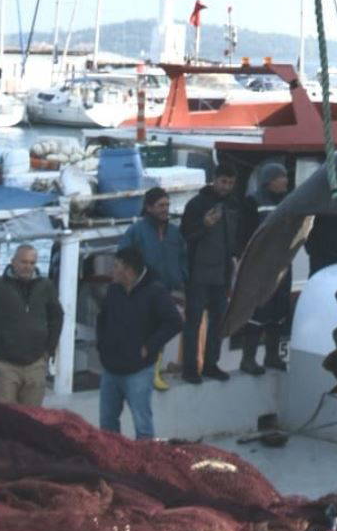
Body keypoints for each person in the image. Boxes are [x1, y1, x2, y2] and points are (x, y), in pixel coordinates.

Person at [95, 245, 182, 439]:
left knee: (142, 426)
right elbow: (102, 318)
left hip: (138, 371)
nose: (112, 270)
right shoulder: (114, 290)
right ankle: (110, 457)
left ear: (128, 270)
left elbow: (175, 322)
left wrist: (149, 347)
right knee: (107, 424)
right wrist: (102, 345)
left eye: (116, 266)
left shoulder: (155, 292)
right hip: (110, 369)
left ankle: (145, 458)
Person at [0, 242, 63, 407]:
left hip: (36, 365)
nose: (28, 267)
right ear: (13, 261)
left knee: (32, 418)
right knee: (6, 418)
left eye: (32, 263)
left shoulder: (45, 286)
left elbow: (57, 316)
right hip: (4, 366)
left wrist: (49, 349)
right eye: (24, 262)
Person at [180, 163, 244, 383]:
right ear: (214, 180)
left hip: (223, 273)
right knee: (194, 321)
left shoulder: (233, 205)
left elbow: (236, 237)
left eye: (230, 183)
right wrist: (204, 225)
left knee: (218, 322)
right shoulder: (196, 204)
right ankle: (189, 368)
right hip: (199, 273)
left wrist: (236, 257)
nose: (226, 187)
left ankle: (210, 364)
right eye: (223, 182)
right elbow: (185, 236)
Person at [119, 188, 187, 389]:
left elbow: (184, 257)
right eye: (160, 205)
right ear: (149, 207)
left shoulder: (174, 232)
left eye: (167, 205)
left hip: (166, 291)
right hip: (143, 291)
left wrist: (182, 277)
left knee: (161, 332)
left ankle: (154, 373)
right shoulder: (136, 231)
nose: (165, 209)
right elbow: (123, 257)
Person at [239, 161, 292, 376]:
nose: (286, 180)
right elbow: (244, 235)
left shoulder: (289, 201)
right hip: (261, 266)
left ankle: (272, 355)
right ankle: (248, 359)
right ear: (269, 181)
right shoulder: (253, 202)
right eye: (281, 177)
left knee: (279, 310)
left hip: (283, 264)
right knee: (258, 310)